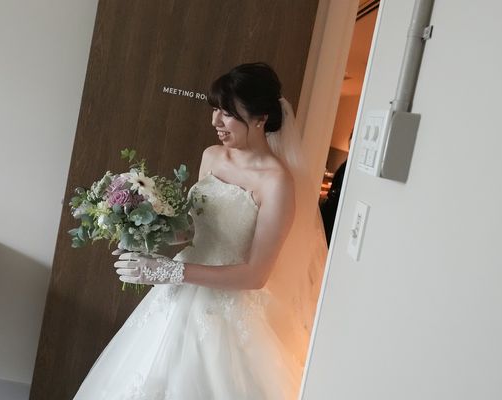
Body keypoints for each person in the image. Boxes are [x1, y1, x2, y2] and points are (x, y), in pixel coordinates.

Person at [74, 63, 327, 400]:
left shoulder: (276, 183)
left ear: (260, 118)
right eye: (215, 110)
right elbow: (194, 230)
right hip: (176, 294)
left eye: (227, 113)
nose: (215, 121)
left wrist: (170, 271)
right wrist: (142, 233)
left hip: (225, 306)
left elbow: (256, 275)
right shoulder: (212, 156)